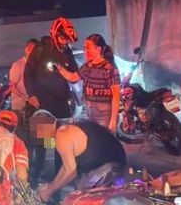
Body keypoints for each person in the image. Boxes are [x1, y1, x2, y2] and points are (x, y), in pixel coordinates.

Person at [24, 18, 79, 188]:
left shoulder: (67, 52)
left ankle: (57, 183)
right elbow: (28, 74)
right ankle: (33, 182)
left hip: (61, 107)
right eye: (63, 38)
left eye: (67, 40)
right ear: (55, 34)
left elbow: (75, 73)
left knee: (60, 147)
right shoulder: (41, 49)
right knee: (41, 145)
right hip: (43, 107)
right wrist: (32, 95)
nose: (65, 42)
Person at [33, 110, 127, 203]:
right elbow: (66, 167)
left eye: (40, 135)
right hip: (110, 162)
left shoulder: (62, 133)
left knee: (84, 203)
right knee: (78, 195)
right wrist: (52, 186)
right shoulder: (65, 126)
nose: (42, 140)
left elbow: (71, 171)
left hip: (107, 168)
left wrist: (49, 191)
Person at [56, 33, 120, 132]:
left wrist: (113, 121)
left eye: (88, 48)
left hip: (104, 114)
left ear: (98, 50)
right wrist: (59, 68)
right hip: (90, 111)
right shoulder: (87, 66)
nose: (85, 51)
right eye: (84, 48)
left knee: (104, 143)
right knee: (94, 141)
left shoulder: (109, 68)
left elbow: (116, 96)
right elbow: (73, 77)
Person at [8, 38, 39, 113]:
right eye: (34, 50)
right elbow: (12, 87)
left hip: (34, 104)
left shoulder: (37, 65)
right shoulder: (18, 65)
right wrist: (27, 98)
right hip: (20, 106)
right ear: (27, 49)